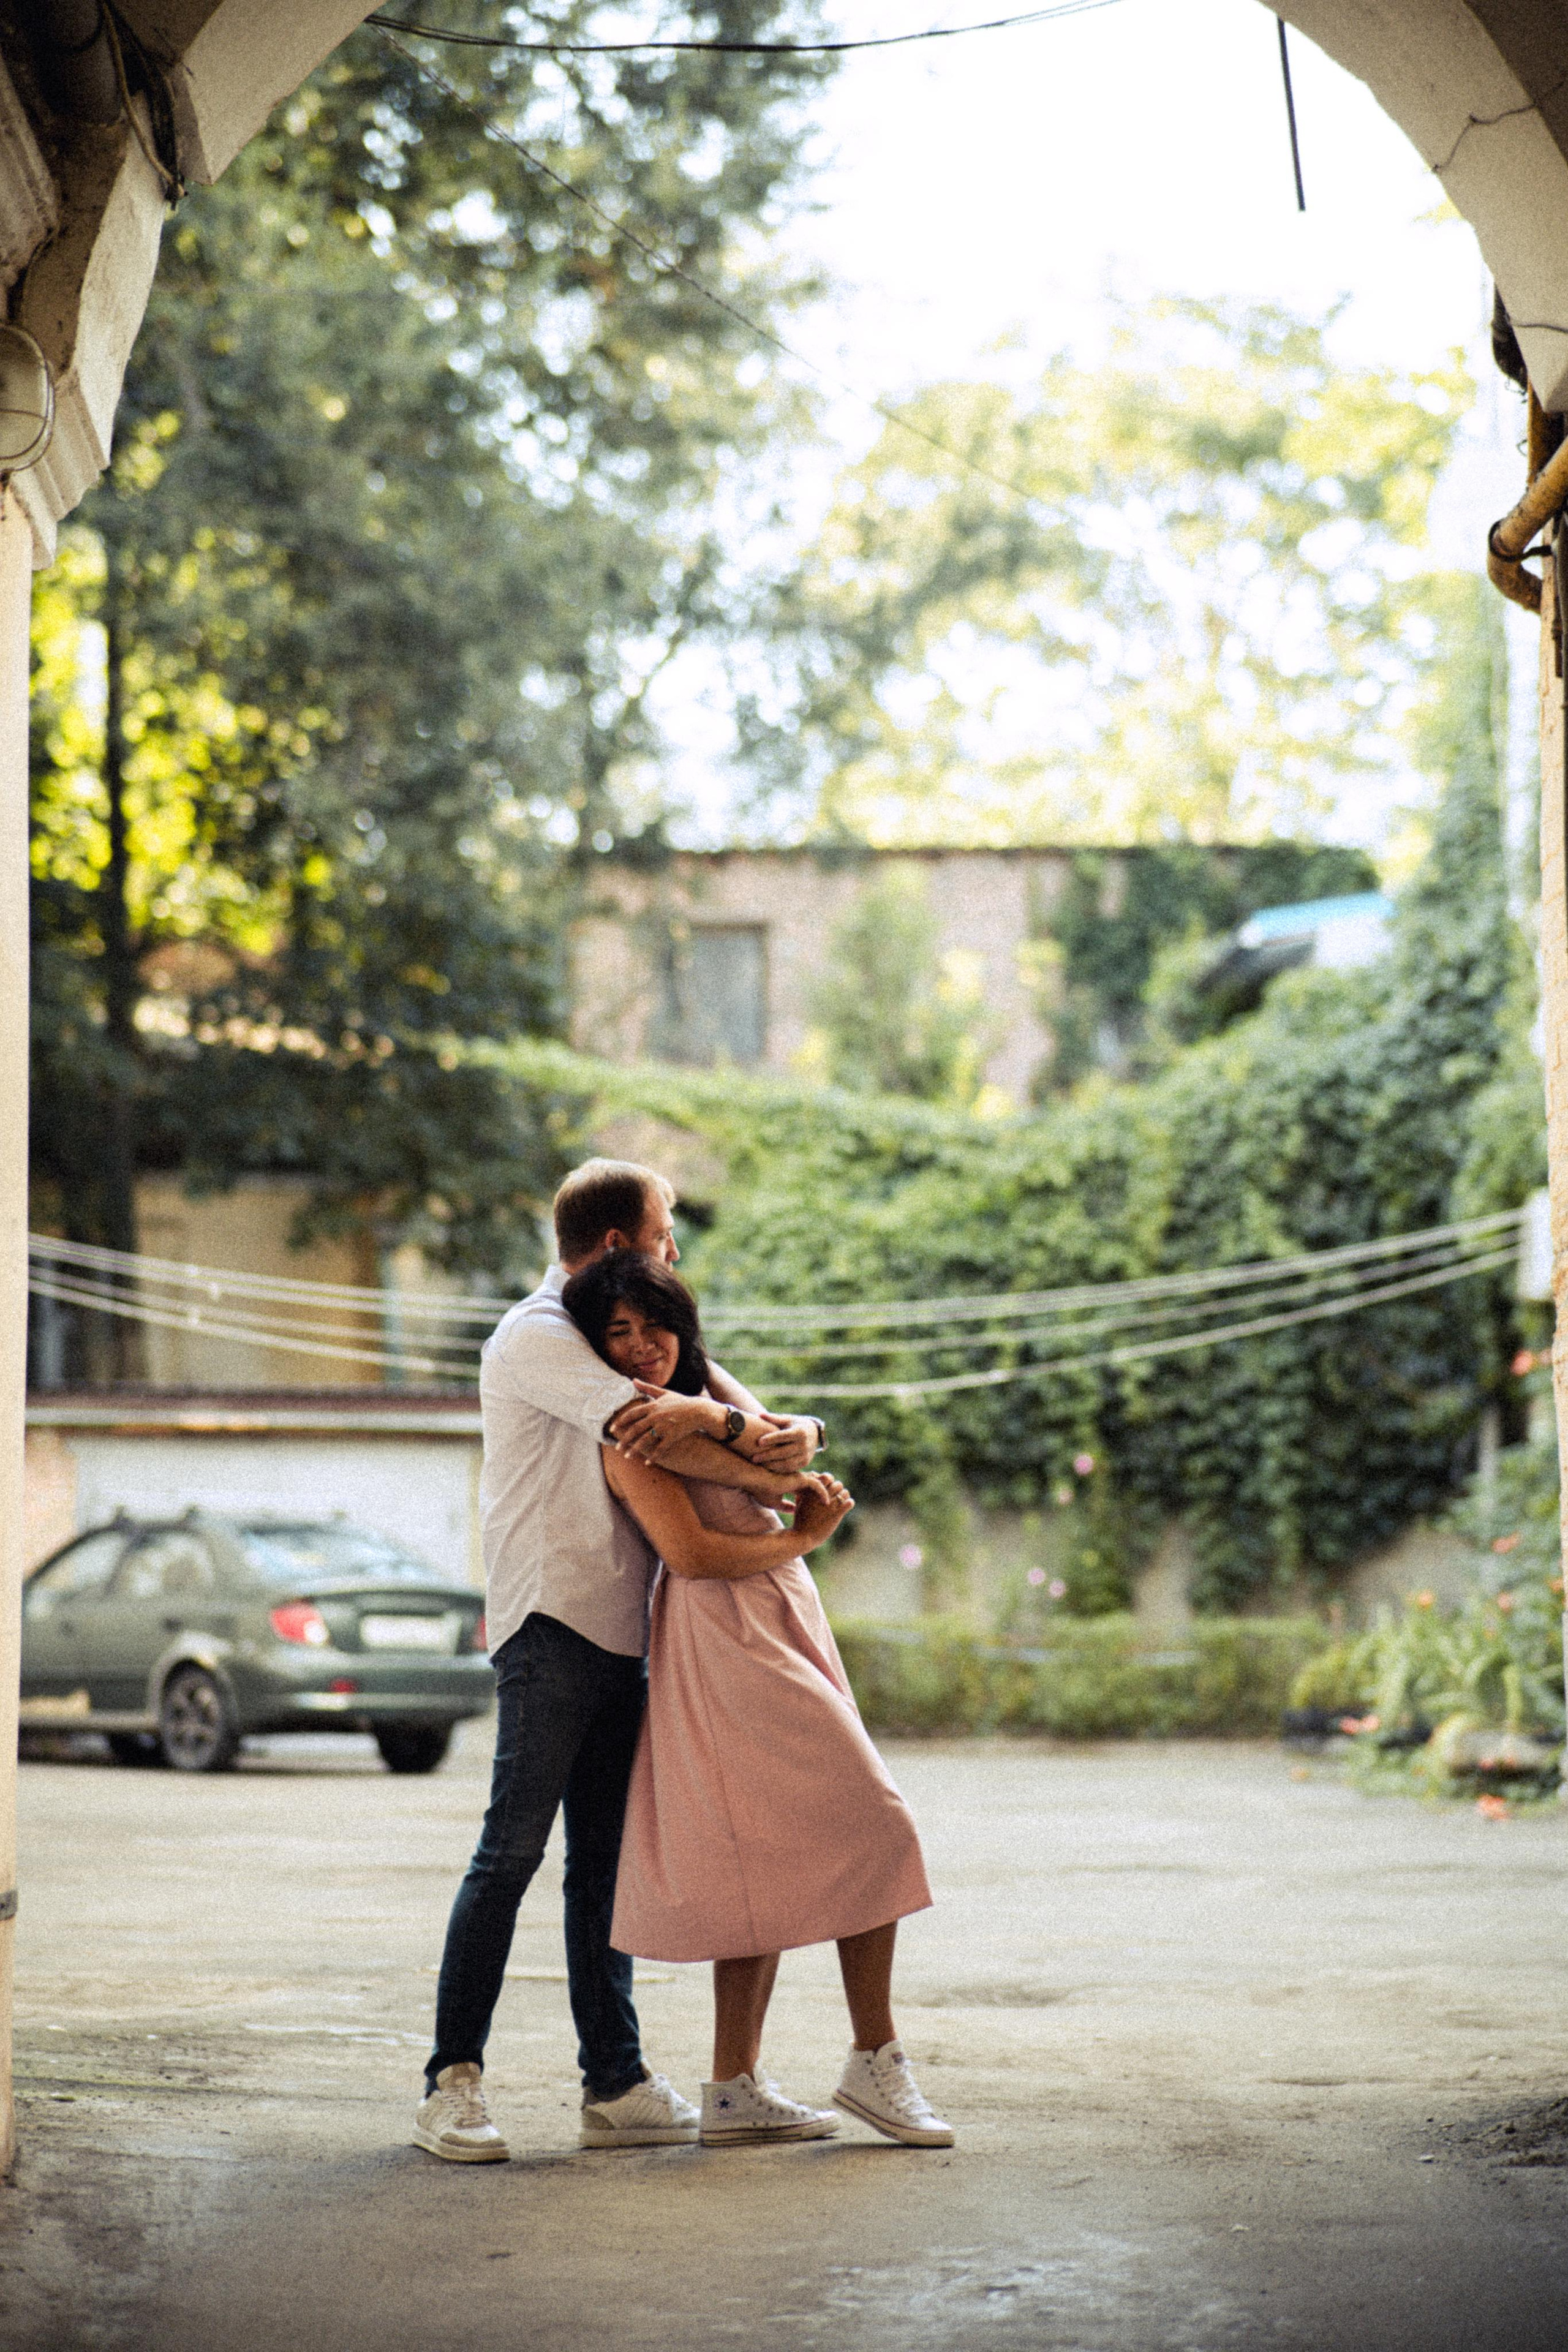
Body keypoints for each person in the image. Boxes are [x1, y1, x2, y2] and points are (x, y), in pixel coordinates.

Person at [413, 1158, 824, 2163]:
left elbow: (773, 1427)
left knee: (601, 1867)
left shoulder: (632, 1322)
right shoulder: (542, 1338)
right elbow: (670, 1443)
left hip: (624, 1630)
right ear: (614, 1245)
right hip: (550, 1620)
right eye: (663, 1232)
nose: (673, 1251)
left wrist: (777, 1440)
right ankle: (449, 2086)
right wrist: (746, 1448)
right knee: (510, 1855)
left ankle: (616, 2085)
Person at [562, 1250, 954, 2151]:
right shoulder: (627, 1426)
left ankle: (733, 2085)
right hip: (723, 1628)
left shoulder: (699, 1388)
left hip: (779, 1615)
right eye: (615, 1334)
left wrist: (753, 1427)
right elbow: (694, 1555)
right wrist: (802, 1533)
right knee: (876, 1820)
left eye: (653, 1325)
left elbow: (791, 1438)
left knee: (762, 1855)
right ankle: (874, 2058)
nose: (640, 1348)